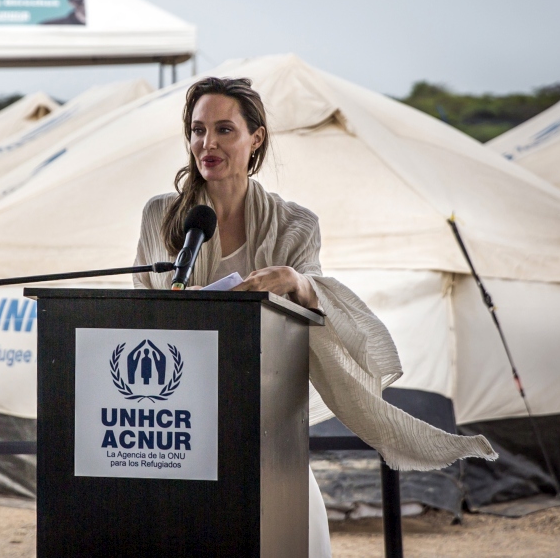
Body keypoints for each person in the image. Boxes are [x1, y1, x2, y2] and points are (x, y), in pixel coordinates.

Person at [133, 77, 496, 558]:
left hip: (264, 423)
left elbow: (317, 308)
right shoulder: (162, 215)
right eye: (198, 130)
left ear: (255, 138)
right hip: (174, 427)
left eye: (224, 129)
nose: (208, 143)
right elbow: (137, 307)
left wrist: (296, 282)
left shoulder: (294, 225)